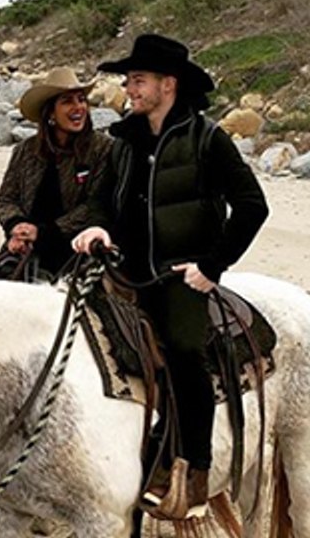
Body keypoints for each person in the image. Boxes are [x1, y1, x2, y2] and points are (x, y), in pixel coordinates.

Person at [71, 34, 268, 519]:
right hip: (126, 271)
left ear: (168, 84)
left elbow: (251, 206)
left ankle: (195, 469)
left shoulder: (207, 139)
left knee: (182, 351)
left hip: (182, 276)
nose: (129, 90)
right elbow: (100, 200)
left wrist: (211, 266)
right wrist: (96, 225)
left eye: (137, 80)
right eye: (129, 81)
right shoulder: (124, 143)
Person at [0, 67, 113, 279]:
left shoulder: (102, 149)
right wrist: (17, 227)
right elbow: (6, 198)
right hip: (24, 249)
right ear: (50, 112)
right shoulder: (25, 151)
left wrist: (42, 233)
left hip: (77, 250)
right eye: (67, 101)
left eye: (81, 99)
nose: (78, 107)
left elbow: (96, 204)